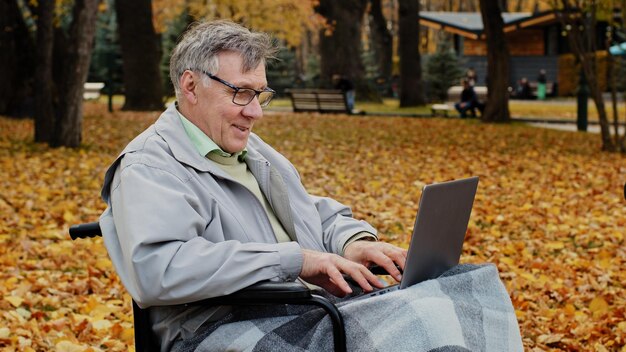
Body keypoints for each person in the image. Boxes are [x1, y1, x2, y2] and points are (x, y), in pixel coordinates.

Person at [100, 20, 522, 351]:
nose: (255, 113)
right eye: (241, 93)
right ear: (190, 85)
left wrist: (352, 242)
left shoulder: (250, 149)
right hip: (223, 328)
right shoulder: (150, 166)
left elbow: (310, 209)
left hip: (303, 308)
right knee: (420, 323)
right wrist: (295, 261)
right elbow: (158, 271)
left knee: (467, 285)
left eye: (260, 95)